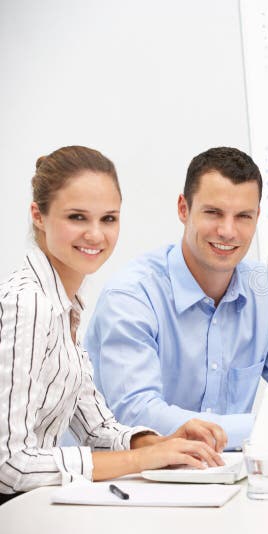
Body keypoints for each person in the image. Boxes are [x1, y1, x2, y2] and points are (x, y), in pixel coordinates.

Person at [0, 146, 226, 502]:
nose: (96, 235)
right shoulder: (28, 303)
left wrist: (163, 444)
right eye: (77, 217)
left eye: (108, 219)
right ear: (38, 216)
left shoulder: (65, 306)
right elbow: (10, 465)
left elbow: (96, 428)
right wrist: (139, 459)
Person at [85, 147, 268, 450]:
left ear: (257, 217)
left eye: (243, 216)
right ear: (183, 209)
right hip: (121, 482)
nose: (227, 231)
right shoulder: (131, 296)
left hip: (225, 476)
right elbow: (138, 414)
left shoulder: (267, 291)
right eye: (213, 213)